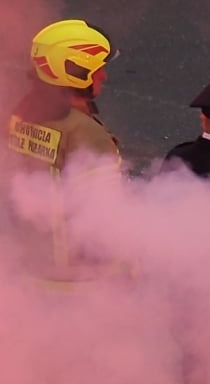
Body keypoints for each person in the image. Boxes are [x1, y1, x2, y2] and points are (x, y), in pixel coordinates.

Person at [4, 19, 124, 285]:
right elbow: (103, 221)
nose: (103, 75)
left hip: (25, 265)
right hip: (72, 281)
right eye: (97, 69)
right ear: (75, 71)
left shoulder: (22, 114)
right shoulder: (88, 135)